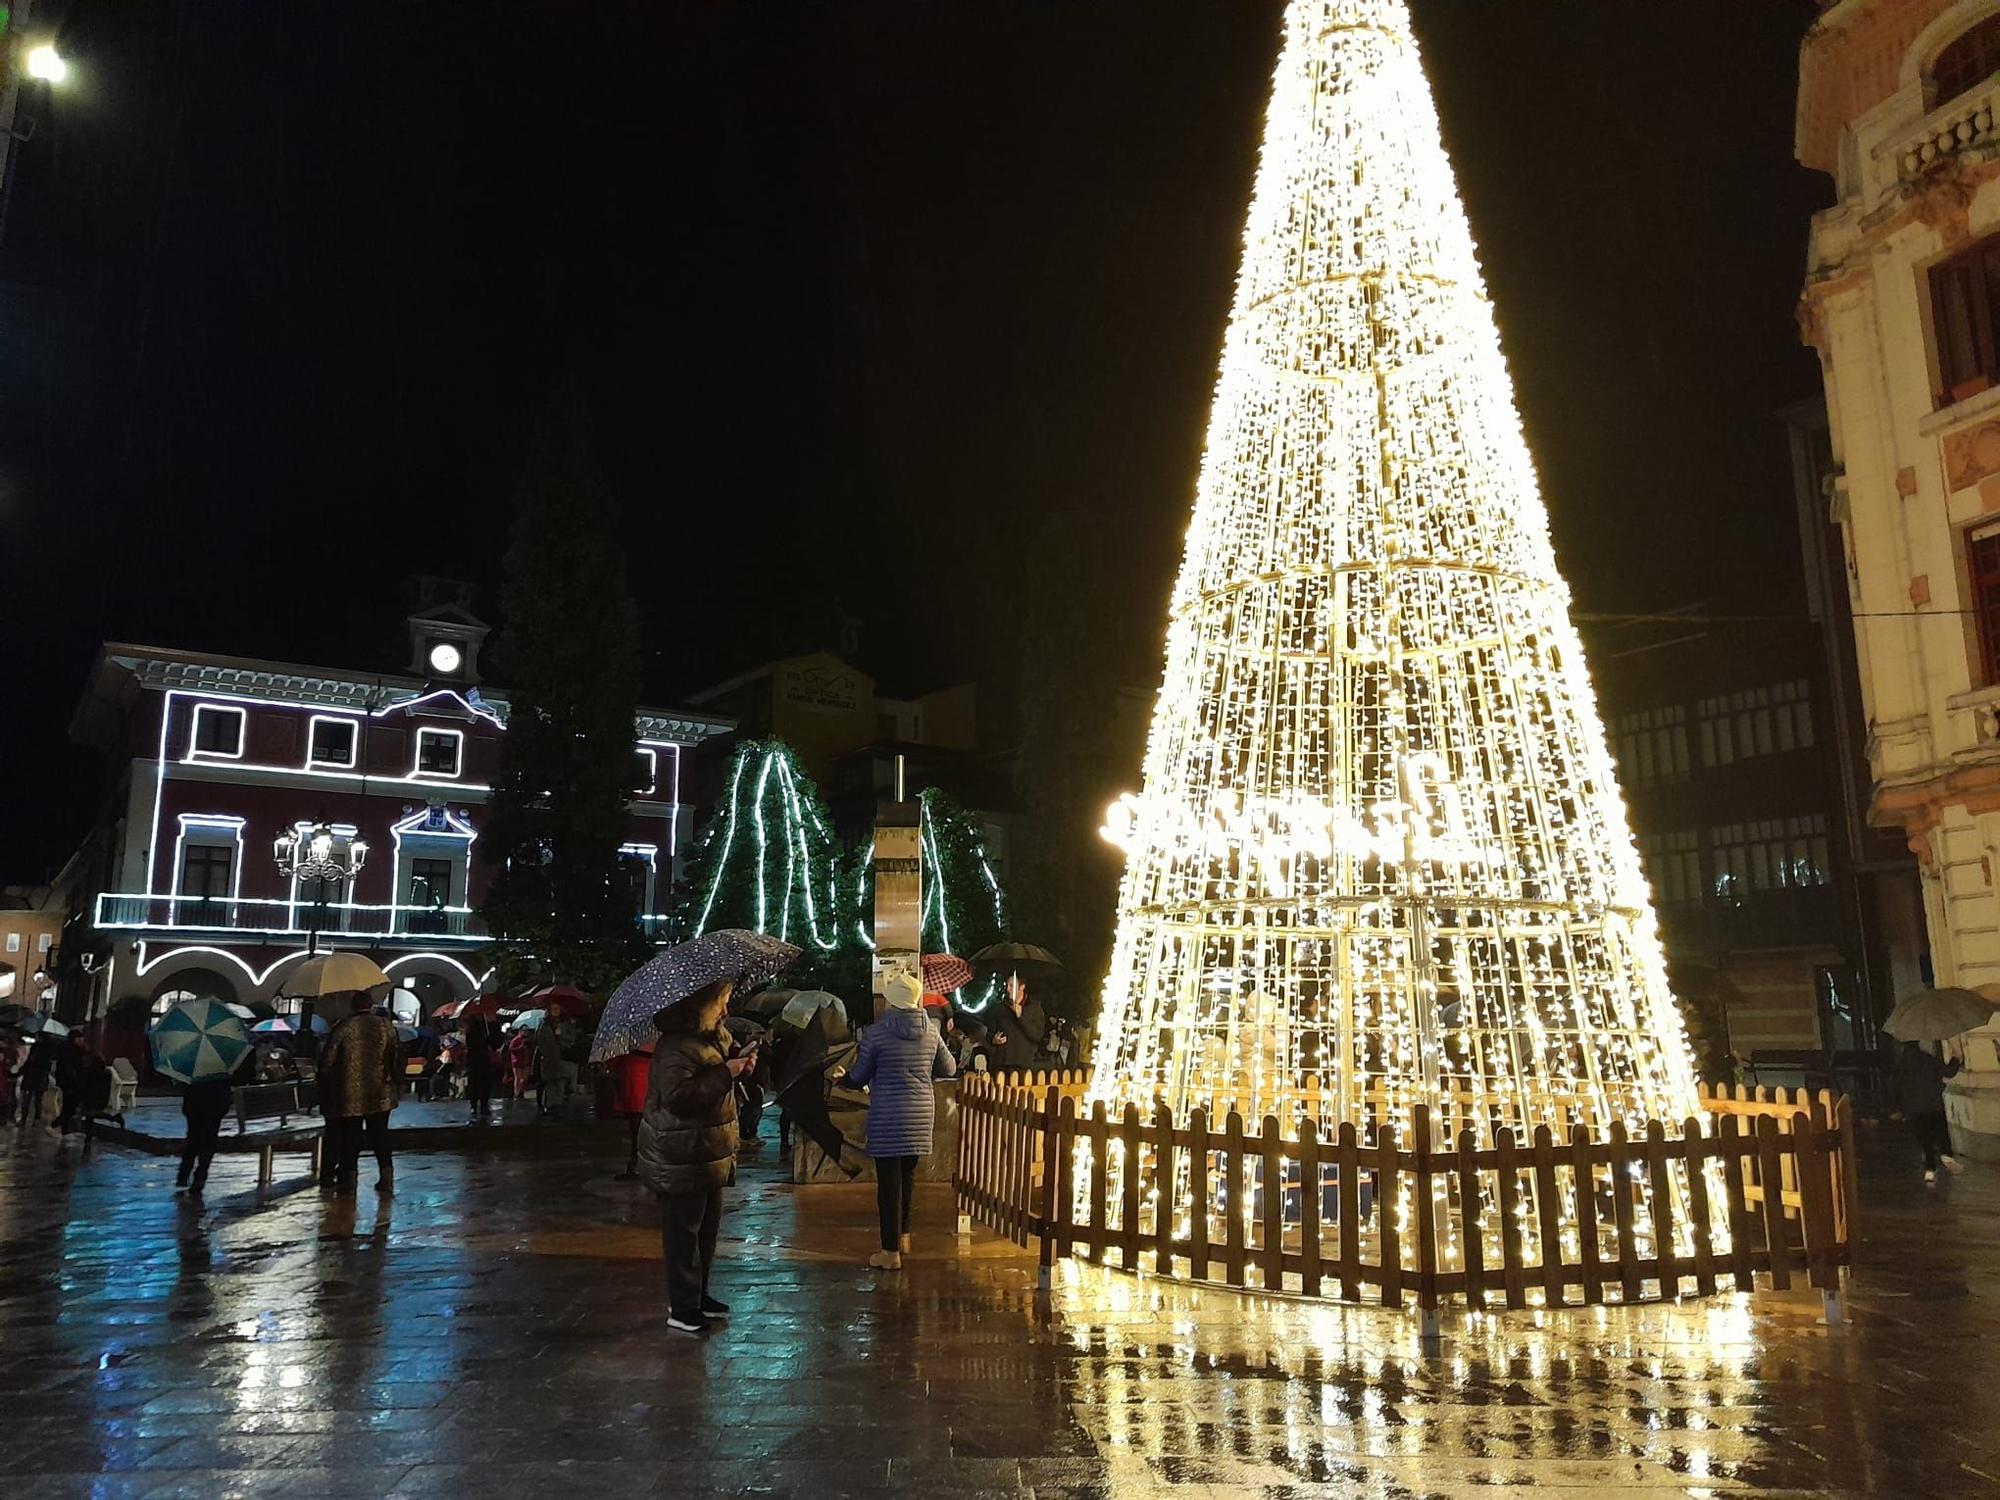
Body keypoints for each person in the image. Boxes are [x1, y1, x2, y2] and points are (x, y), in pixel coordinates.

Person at [636, 977, 756, 1334]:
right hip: (679, 1153)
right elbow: (679, 1098)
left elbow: (721, 1069)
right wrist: (725, 1073)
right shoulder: (676, 1046)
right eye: (721, 1001)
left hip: (708, 1150)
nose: (726, 1008)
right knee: (683, 1234)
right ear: (701, 1004)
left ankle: (698, 1295)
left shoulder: (715, 1035)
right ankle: (682, 1307)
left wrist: (741, 1063)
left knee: (706, 1231)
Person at [843, 970, 957, 1271]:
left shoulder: (877, 1033)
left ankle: (889, 1252)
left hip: (887, 1117)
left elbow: (859, 1075)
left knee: (888, 1186)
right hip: (920, 1117)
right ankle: (904, 1236)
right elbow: (948, 1067)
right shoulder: (932, 1031)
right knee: (907, 1179)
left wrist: (846, 1081)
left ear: (891, 1001)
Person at [320, 992, 401, 1194]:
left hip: (350, 1093)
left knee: (351, 1137)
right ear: (371, 1005)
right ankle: (386, 1177)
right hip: (380, 1090)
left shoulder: (343, 1027)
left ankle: (349, 1178)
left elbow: (327, 1060)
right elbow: (395, 1054)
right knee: (380, 1135)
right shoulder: (385, 1026)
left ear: (352, 1005)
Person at [1898, 1038, 1964, 1183]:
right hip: (1933, 1104)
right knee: (1941, 1132)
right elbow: (1948, 1072)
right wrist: (1956, 1058)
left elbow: (1897, 1086)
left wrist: (1901, 1108)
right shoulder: (1928, 1059)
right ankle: (1946, 1154)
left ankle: (1930, 1169)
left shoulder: (1902, 1064)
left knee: (1924, 1139)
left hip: (1914, 1108)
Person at [176, 1058, 243, 1195]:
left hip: (194, 1101)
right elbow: (239, 1079)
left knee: (192, 1137)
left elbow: (181, 1078)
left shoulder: (191, 1055)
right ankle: (200, 1175)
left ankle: (184, 1174)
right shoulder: (224, 1056)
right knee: (209, 1139)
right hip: (215, 1102)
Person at [985, 974, 1048, 1072]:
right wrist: (993, 1039)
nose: (1008, 989)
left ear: (1022, 987)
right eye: (1007, 985)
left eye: (1011, 986)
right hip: (1001, 1064)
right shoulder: (1000, 1008)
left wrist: (1020, 1017)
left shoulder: (1034, 1007)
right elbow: (989, 1033)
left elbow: (1037, 1035)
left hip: (1023, 1065)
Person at [607, 1046, 652, 1179]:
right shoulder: (653, 1045)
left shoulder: (623, 1048)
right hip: (649, 1093)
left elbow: (612, 1062)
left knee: (636, 1133)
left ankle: (636, 1166)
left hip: (632, 1094)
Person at [17, 1032, 56, 1130]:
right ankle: (26, 1118)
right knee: (28, 1099)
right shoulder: (35, 1048)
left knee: (37, 1100)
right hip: (31, 1077)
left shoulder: (47, 1050)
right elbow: (29, 1062)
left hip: (38, 1078)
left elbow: (45, 1065)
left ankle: (35, 1119)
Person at [535, 1005, 567, 1116]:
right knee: (549, 1082)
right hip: (548, 1058)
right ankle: (549, 1105)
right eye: (553, 1009)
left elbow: (566, 1040)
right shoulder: (544, 1025)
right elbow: (540, 1041)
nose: (556, 1011)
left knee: (559, 1082)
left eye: (558, 1009)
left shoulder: (560, 1024)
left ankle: (556, 1104)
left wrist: (560, 1038)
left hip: (558, 1058)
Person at [464, 1016, 495, 1122]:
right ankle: (477, 1104)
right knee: (476, 1083)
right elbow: (471, 1043)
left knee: (481, 1083)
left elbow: (495, 1043)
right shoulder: (472, 1031)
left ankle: (482, 1104)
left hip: (482, 1060)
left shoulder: (487, 1028)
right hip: (476, 1059)